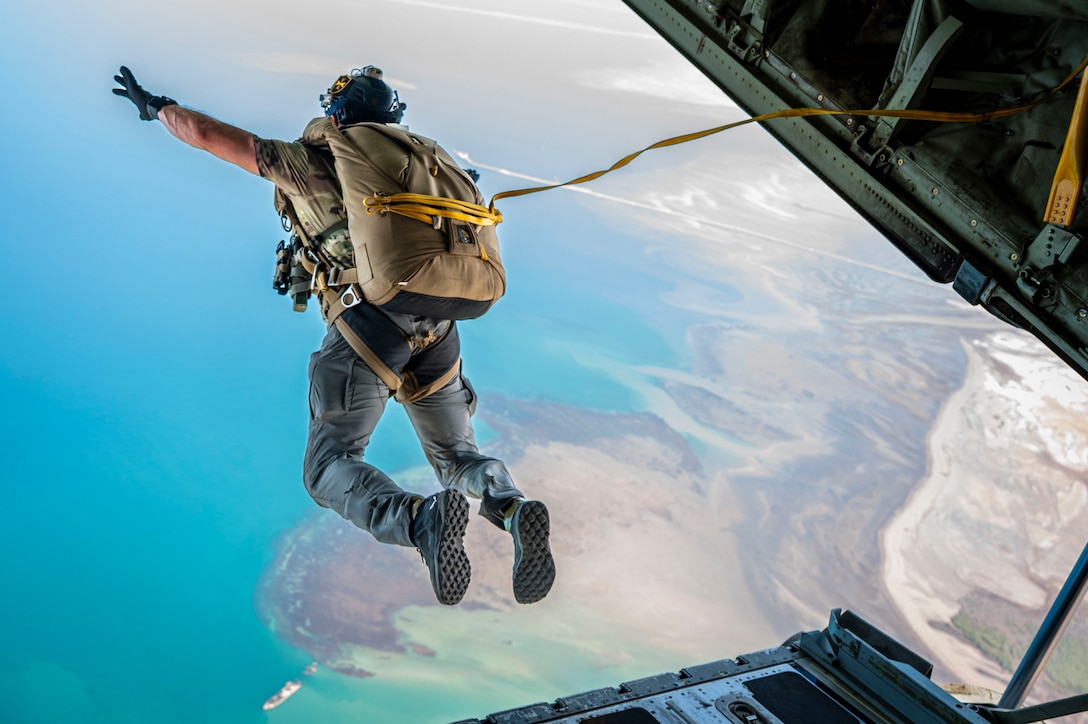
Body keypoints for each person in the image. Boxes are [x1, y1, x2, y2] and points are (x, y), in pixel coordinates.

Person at [112, 65, 555, 606]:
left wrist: (157, 107)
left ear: (337, 115)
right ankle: (509, 504)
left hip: (368, 324)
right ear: (391, 114)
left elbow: (207, 136)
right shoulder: (424, 166)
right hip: (439, 329)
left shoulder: (315, 160)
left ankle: (419, 522)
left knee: (328, 467)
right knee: (457, 457)